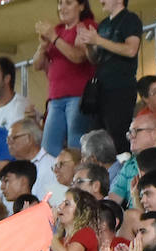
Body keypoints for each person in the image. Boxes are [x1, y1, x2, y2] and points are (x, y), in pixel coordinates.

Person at [76, 0, 141, 153]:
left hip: (120, 87)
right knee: (96, 137)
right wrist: (88, 44)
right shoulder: (104, 24)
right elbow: (95, 59)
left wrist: (98, 40)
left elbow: (131, 49)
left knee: (118, 135)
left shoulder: (130, 19)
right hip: (101, 89)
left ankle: (121, 172)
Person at [33, 0, 96, 155]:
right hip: (55, 98)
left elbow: (78, 56)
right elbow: (37, 65)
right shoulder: (57, 30)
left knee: (76, 145)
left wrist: (54, 38)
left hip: (78, 96)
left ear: (81, 6)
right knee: (48, 149)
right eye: (60, 3)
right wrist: (42, 46)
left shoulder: (86, 26)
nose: (62, 7)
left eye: (68, 3)